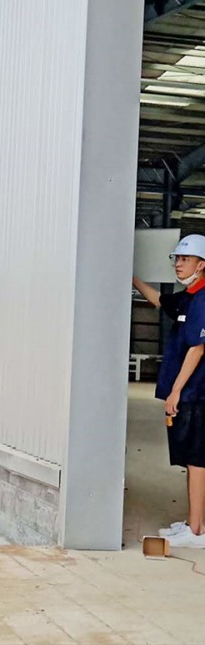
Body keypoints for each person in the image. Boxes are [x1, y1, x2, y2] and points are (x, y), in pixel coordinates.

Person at [133, 234, 205, 547]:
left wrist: (175, 391)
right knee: (191, 458)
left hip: (197, 393)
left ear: (201, 265)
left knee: (198, 460)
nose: (178, 264)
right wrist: (133, 278)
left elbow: (197, 348)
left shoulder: (203, 298)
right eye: (176, 258)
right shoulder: (187, 296)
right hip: (188, 394)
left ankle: (196, 531)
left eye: (185, 259)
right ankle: (194, 523)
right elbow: (158, 300)